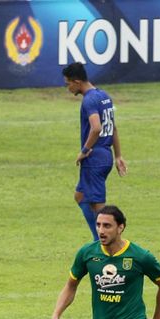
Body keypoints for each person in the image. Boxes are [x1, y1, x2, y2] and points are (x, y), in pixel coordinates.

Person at [62, 62, 127, 241]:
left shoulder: (89, 100)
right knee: (80, 196)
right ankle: (98, 239)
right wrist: (118, 155)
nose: (67, 88)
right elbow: (112, 127)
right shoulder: (103, 96)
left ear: (76, 82)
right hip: (105, 154)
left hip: (94, 158)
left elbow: (96, 128)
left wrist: (84, 150)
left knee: (99, 209)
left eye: (68, 84)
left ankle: (108, 243)